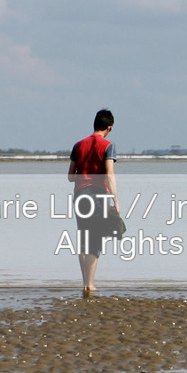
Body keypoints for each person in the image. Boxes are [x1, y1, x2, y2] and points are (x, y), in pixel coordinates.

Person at [68, 108, 120, 296]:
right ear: (109, 127)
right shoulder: (108, 146)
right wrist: (115, 199)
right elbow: (109, 175)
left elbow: (70, 177)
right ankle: (90, 285)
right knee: (95, 241)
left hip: (80, 194)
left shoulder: (78, 145)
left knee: (83, 239)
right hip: (98, 195)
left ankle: (85, 283)